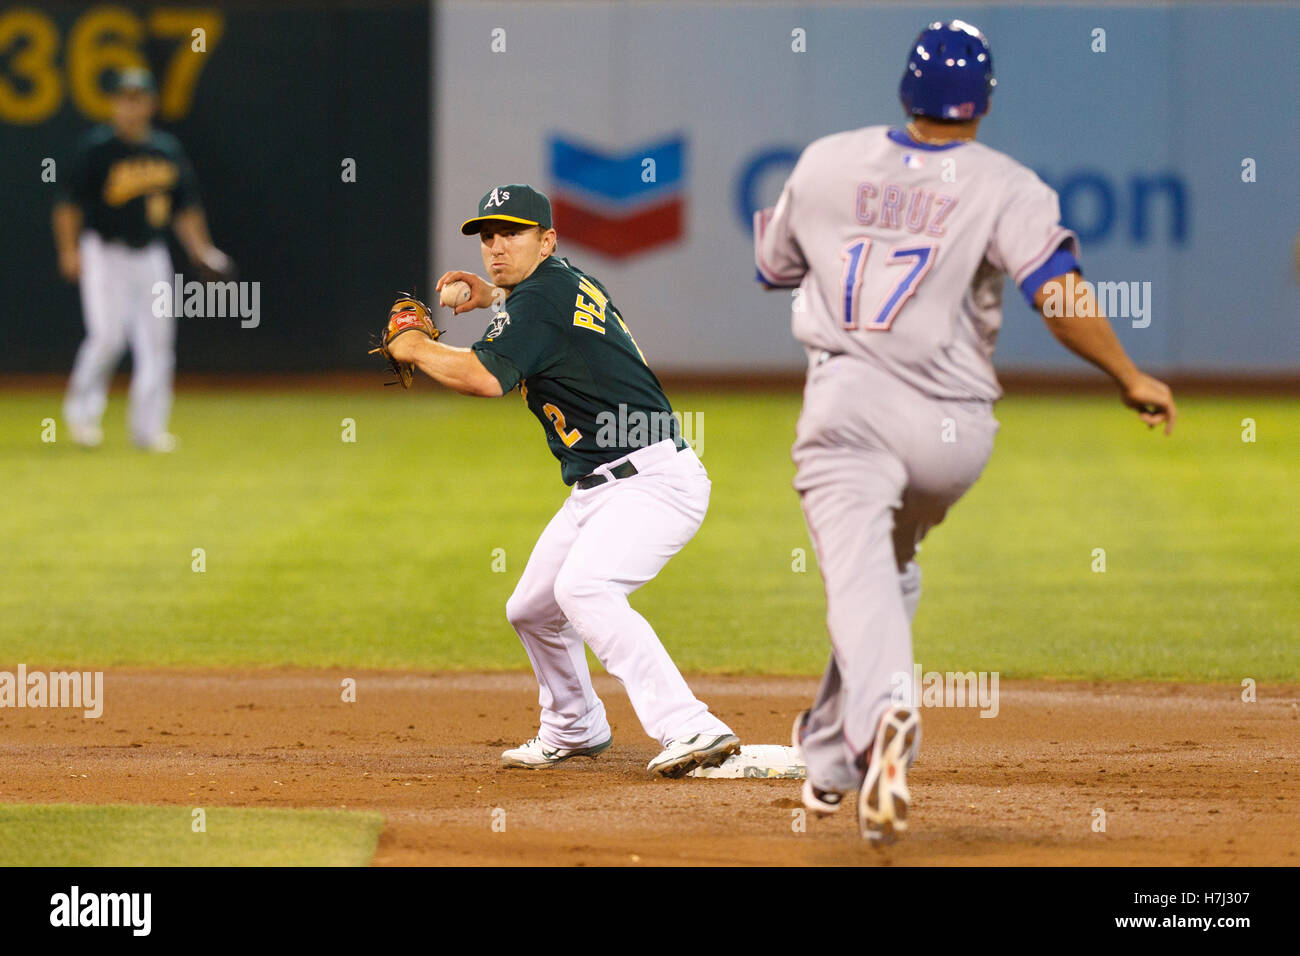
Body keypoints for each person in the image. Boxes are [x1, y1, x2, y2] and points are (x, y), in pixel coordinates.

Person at [754, 20, 1176, 841]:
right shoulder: (1008, 184)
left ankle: (882, 725)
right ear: (982, 101)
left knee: (856, 577)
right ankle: (834, 760)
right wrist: (1128, 376)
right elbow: (1056, 297)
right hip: (955, 434)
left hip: (851, 409)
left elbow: (774, 267)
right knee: (885, 570)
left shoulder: (826, 160)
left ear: (906, 90)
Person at [387, 184, 740, 777]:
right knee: (530, 608)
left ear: (546, 239)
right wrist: (493, 295)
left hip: (652, 482)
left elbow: (482, 378)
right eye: (488, 236)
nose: (496, 246)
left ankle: (693, 725)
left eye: (512, 233)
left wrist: (415, 346)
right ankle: (575, 726)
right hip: (602, 486)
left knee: (584, 589)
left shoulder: (539, 302)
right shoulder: (559, 281)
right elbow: (535, 305)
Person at [54, 67, 231, 451]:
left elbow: (185, 207)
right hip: (104, 251)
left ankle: (148, 429)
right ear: (115, 103)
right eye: (124, 98)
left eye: (138, 98)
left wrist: (201, 249)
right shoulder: (96, 150)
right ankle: (82, 416)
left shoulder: (165, 150)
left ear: (150, 103)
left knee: (157, 342)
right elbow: (67, 205)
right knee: (108, 338)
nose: (131, 106)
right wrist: (69, 251)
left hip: (150, 254)